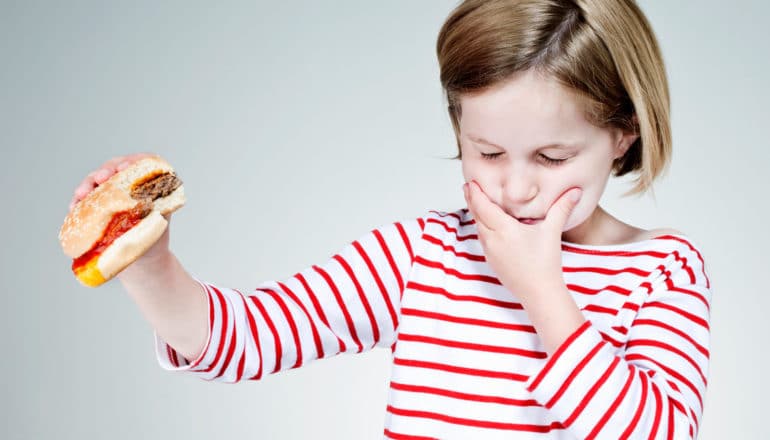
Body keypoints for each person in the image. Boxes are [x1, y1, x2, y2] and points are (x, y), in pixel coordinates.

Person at [67, 0, 711, 438]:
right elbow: (247, 337)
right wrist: (145, 261)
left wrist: (542, 291)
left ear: (624, 134)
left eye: (552, 156)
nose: (516, 187)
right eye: (486, 152)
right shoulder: (426, 252)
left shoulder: (663, 271)